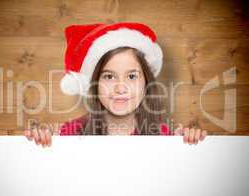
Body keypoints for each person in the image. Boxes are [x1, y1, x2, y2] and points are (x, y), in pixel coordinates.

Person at [23, 22, 206, 148]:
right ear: (94, 84)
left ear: (146, 83)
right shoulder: (72, 133)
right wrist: (42, 138)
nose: (120, 87)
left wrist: (189, 142)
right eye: (109, 77)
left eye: (132, 76)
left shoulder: (165, 136)